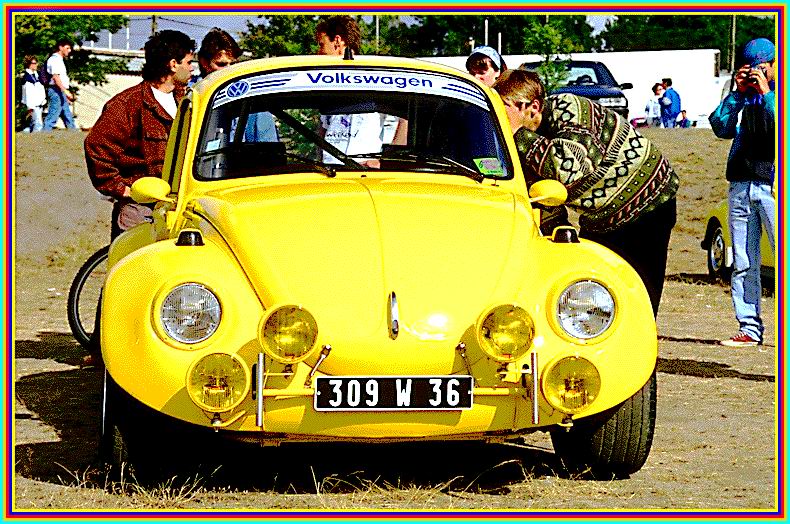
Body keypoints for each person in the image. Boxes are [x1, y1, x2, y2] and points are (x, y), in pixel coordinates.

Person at [493, 69, 679, 317]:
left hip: (648, 199)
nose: (498, 115)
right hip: (602, 216)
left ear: (533, 106)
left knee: (638, 295)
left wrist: (518, 134)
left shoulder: (569, 108)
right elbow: (544, 197)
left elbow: (569, 169)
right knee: (595, 290)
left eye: (503, 107)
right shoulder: (526, 143)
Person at [85, 29, 195, 240]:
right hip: (139, 211)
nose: (192, 68)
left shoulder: (187, 102)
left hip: (179, 209)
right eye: (189, 62)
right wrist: (123, 190)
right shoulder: (127, 105)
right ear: (173, 64)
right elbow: (97, 147)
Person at [709, 38, 776, 347]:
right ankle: (749, 327)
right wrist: (737, 93)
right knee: (743, 261)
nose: (754, 74)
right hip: (741, 185)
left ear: (774, 65)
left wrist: (766, 92)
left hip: (773, 187)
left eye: (760, 68)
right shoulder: (742, 97)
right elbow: (720, 127)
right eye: (749, 69)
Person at [314, 16, 406, 165]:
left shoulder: (375, 79)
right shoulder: (326, 84)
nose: (319, 52)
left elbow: (405, 120)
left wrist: (386, 162)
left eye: (322, 44)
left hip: (365, 172)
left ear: (337, 41)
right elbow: (323, 129)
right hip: (329, 172)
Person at [192, 27, 277, 142]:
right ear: (204, 63)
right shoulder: (192, 98)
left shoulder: (253, 102)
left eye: (233, 64)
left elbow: (267, 147)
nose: (229, 70)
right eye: (221, 64)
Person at [43, 39, 77, 130]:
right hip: (56, 90)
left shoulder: (60, 60)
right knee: (52, 117)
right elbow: (56, 77)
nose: (69, 50)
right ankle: (43, 135)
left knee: (68, 117)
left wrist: (64, 93)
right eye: (67, 48)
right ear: (60, 47)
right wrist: (65, 91)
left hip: (59, 91)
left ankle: (75, 135)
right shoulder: (55, 60)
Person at [21, 55, 46, 132]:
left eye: (36, 63)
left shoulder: (36, 75)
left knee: (31, 125)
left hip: (39, 104)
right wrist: (30, 107)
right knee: (38, 125)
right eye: (34, 63)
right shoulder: (27, 77)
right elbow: (28, 93)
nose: (36, 65)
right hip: (33, 105)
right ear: (29, 64)